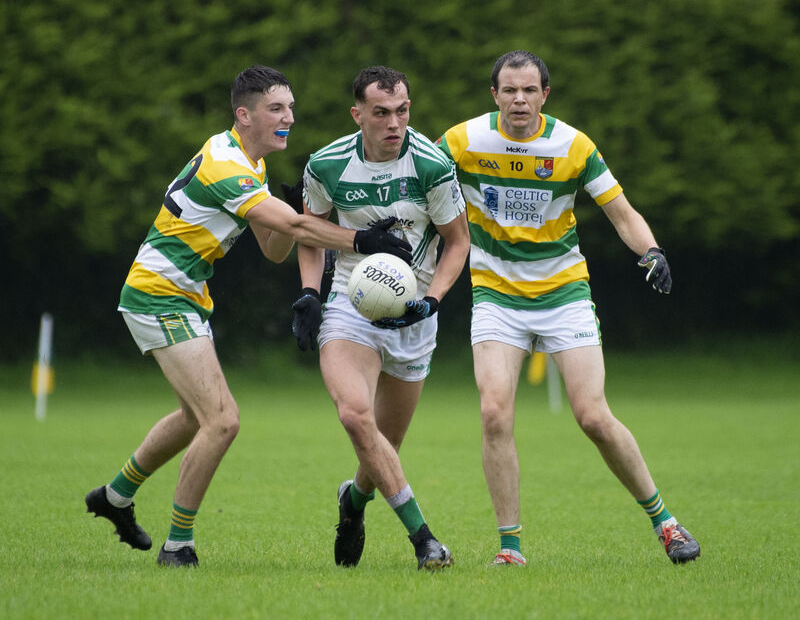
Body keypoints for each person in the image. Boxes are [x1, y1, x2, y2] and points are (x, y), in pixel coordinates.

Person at [84, 65, 412, 568]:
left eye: (291, 108)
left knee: (195, 417)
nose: (289, 118)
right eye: (276, 109)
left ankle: (115, 497)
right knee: (222, 420)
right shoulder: (226, 167)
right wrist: (361, 240)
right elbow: (300, 229)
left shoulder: (248, 163)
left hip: (185, 295)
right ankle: (178, 546)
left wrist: (291, 214)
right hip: (159, 295)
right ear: (244, 115)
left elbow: (276, 248)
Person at [437, 50, 700, 566]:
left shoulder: (573, 146)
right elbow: (418, 188)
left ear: (544, 95)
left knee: (593, 416)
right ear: (494, 95)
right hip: (495, 293)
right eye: (509, 90)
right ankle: (510, 550)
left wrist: (651, 252)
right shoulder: (462, 142)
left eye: (529, 90)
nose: (519, 99)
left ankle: (666, 523)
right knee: (494, 413)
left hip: (563, 293)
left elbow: (622, 214)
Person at [288, 66, 470, 570]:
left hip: (414, 311)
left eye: (403, 111)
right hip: (351, 302)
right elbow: (309, 230)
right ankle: (424, 539)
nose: (395, 123)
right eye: (382, 113)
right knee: (354, 416)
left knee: (383, 444)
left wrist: (431, 301)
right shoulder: (326, 165)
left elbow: (457, 243)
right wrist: (309, 293)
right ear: (358, 114)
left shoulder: (432, 165)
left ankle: (354, 504)